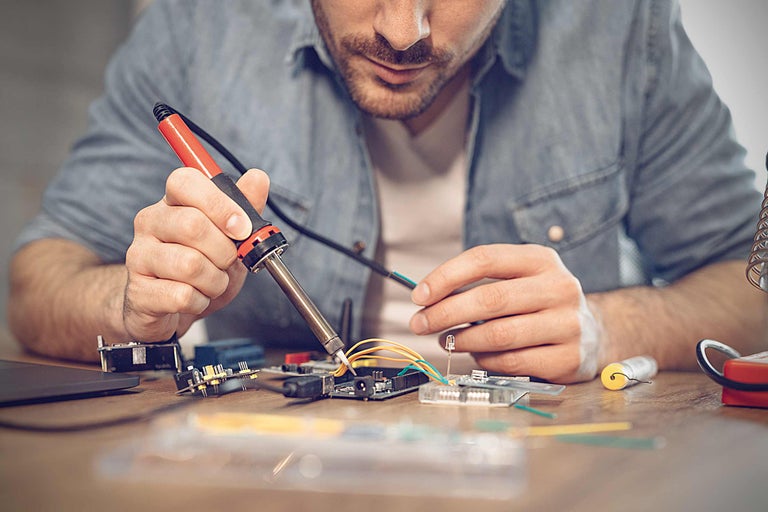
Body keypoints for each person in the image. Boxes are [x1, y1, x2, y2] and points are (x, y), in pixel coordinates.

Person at [8, 0, 767, 383]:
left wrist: (607, 329)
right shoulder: (198, 26)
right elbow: (36, 286)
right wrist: (131, 308)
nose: (404, 31)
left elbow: (753, 286)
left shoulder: (621, 27)